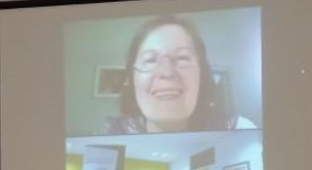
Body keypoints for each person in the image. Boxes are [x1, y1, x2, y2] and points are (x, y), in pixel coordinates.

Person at [105, 15, 257, 134]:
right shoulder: (107, 138)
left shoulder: (240, 130)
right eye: (150, 60)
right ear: (131, 79)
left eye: (182, 58)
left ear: (202, 75)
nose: (167, 72)